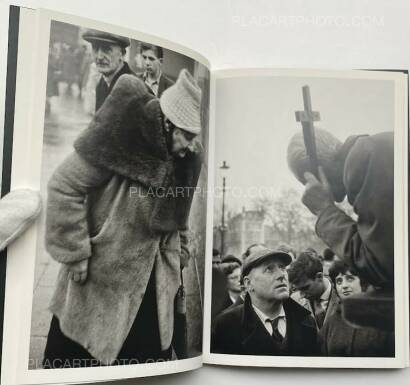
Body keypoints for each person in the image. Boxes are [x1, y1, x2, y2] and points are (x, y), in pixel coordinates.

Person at [42, 69, 203, 367]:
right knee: (83, 357)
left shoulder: (187, 156)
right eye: (188, 136)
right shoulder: (121, 132)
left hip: (154, 285)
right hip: (101, 277)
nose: (191, 147)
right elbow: (64, 185)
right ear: (169, 123)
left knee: (145, 361)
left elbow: (180, 216)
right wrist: (75, 251)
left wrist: (180, 253)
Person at [287, 129, 394, 290]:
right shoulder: (376, 148)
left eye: (307, 182)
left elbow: (381, 266)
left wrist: (325, 210)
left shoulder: (361, 161)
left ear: (317, 172)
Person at [211, 247, 317, 356]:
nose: (281, 275)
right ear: (248, 284)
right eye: (269, 269)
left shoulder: (306, 321)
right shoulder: (226, 326)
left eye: (282, 268)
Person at [320, 261, 394, 356]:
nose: (344, 285)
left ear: (363, 283)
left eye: (350, 279)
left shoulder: (381, 319)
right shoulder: (330, 323)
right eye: (339, 281)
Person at [82, 29, 135, 111]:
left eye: (107, 49)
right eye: (95, 48)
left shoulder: (134, 89)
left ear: (122, 54)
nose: (99, 57)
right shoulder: (102, 83)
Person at [288, 252, 339, 330]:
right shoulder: (295, 301)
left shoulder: (343, 296)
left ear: (319, 276)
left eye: (305, 288)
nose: (302, 295)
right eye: (297, 289)